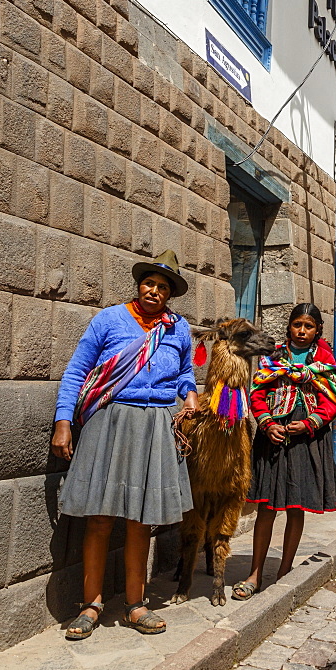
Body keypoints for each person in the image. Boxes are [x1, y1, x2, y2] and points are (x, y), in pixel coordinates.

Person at [51, 250, 199, 640]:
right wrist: (63, 422)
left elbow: (185, 373)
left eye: (163, 287)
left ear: (169, 295)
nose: (154, 291)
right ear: (140, 285)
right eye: (150, 283)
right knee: (99, 517)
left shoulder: (176, 328)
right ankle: (91, 604)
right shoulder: (109, 320)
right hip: (110, 422)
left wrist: (190, 396)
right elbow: (77, 371)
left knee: (140, 520)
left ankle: (136, 604)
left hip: (155, 426)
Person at [231, 303, 336, 600]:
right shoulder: (275, 354)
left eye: (309, 326)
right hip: (273, 437)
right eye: (298, 325)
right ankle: (254, 573)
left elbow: (333, 397)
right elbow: (258, 392)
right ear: (290, 326)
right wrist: (267, 423)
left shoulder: (323, 357)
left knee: (295, 506)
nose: (302, 331)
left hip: (306, 440)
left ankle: (284, 570)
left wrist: (309, 423)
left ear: (317, 329)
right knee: (267, 507)